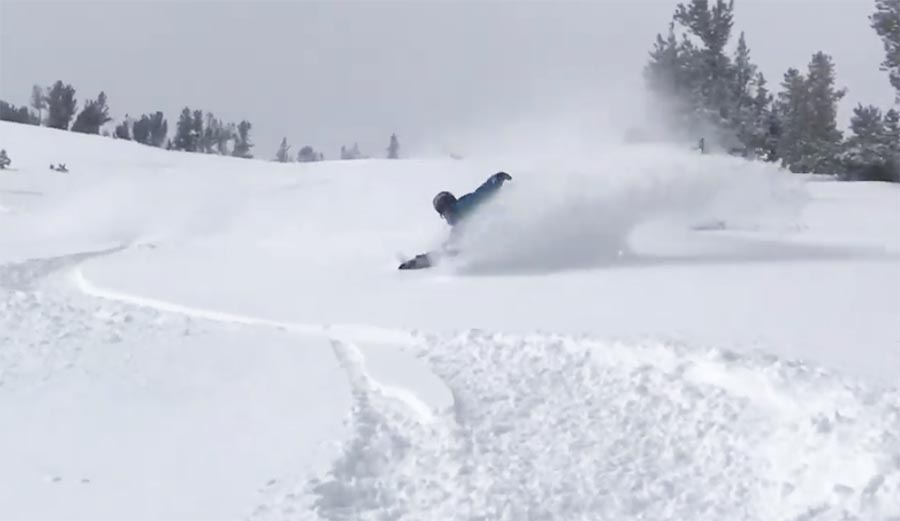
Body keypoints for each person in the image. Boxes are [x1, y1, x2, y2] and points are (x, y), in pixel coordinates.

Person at [399, 171, 512, 269]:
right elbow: (449, 250)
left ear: (451, 205)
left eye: (446, 210)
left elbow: (481, 194)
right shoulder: (457, 226)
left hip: (501, 231)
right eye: (443, 213)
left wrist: (496, 179)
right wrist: (421, 261)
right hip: (490, 245)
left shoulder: (464, 207)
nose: (446, 215)